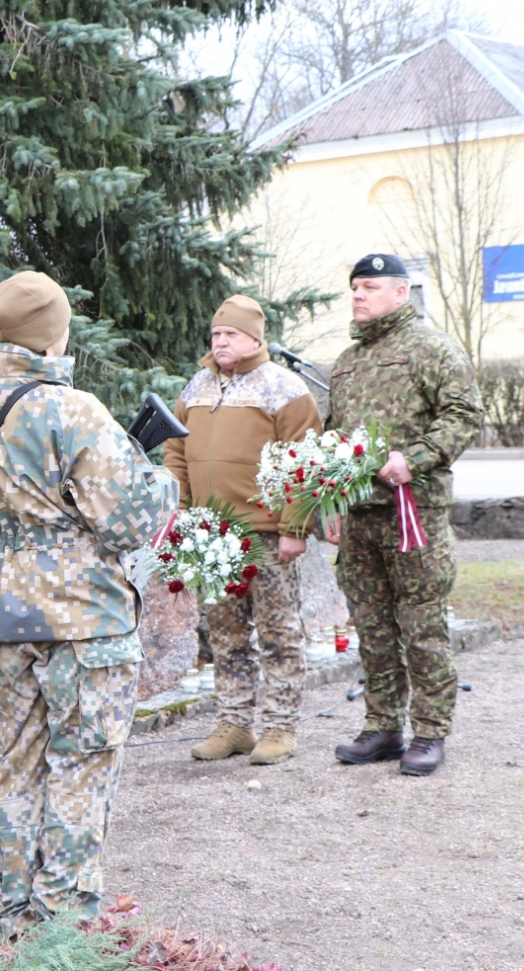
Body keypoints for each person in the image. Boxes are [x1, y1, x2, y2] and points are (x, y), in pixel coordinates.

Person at [0, 271, 179, 938]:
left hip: (4, 620)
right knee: (80, 770)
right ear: (57, 334)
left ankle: (15, 924)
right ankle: (63, 935)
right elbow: (127, 521)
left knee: (17, 773)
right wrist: (161, 480)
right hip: (86, 624)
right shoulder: (75, 411)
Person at [323, 254, 481, 777]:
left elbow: (464, 414)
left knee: (422, 626)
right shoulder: (346, 361)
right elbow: (334, 437)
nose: (358, 296)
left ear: (400, 292)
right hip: (360, 518)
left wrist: (411, 460)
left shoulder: (431, 348)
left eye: (369, 287)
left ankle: (430, 732)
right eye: (354, 289)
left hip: (413, 514)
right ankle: (383, 725)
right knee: (372, 628)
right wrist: (329, 503)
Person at [162, 295, 322, 766]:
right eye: (216, 334)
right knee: (226, 636)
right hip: (212, 537)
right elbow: (175, 451)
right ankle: (234, 724)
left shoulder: (284, 388)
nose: (221, 340)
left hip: (268, 535)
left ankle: (279, 728)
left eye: (230, 333)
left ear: (255, 337)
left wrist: (295, 527)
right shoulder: (196, 387)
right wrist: (183, 517)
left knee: (278, 634)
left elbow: (305, 463)